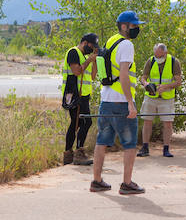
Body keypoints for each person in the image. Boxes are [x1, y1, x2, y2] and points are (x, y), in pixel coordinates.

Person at [90, 10, 145, 195]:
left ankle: (96, 181)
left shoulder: (111, 41)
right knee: (129, 144)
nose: (137, 28)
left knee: (102, 141)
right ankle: (127, 183)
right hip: (121, 101)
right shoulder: (127, 44)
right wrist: (131, 102)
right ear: (124, 26)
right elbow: (123, 75)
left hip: (106, 99)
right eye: (134, 26)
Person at [136, 42, 181, 158]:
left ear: (165, 53)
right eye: (156, 55)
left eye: (160, 56)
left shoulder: (174, 62)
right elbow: (143, 77)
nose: (157, 58)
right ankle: (145, 147)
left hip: (167, 98)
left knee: (167, 123)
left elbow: (178, 82)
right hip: (150, 97)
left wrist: (165, 87)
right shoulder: (150, 61)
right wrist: (146, 84)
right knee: (147, 121)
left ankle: (166, 149)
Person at [60, 34, 97, 165]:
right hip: (75, 94)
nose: (92, 50)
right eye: (92, 46)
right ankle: (77, 153)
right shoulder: (73, 52)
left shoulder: (85, 57)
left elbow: (92, 77)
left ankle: (69, 154)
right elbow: (77, 71)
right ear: (85, 43)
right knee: (82, 122)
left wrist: (94, 62)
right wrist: (88, 61)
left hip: (84, 95)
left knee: (79, 123)